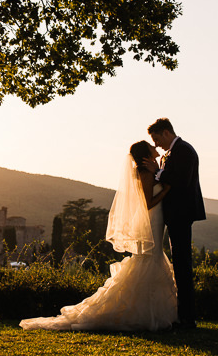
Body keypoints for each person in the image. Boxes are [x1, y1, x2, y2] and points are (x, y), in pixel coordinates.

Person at [20, 141, 178, 331]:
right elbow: (148, 202)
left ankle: (151, 314)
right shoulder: (144, 173)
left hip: (156, 220)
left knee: (152, 259)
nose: (155, 147)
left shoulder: (150, 170)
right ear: (145, 153)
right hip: (152, 219)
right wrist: (167, 189)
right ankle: (145, 315)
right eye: (151, 146)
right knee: (149, 259)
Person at [144, 117, 205, 328]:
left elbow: (180, 181)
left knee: (182, 265)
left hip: (181, 214)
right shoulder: (170, 154)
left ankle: (188, 318)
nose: (155, 144)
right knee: (179, 264)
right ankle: (183, 315)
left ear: (166, 133)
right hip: (172, 215)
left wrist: (157, 172)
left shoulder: (185, 151)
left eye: (156, 138)